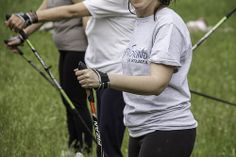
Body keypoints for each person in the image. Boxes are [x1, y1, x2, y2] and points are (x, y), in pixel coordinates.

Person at [5, 1, 136, 157]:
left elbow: (73, 11)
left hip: (114, 76)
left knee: (107, 143)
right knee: (104, 143)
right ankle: (78, 146)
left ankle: (83, 146)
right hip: (103, 75)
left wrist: (29, 16)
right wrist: (23, 34)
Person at [75, 0, 198, 157]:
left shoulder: (168, 23)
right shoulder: (139, 22)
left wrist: (104, 79)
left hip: (168, 128)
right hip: (139, 128)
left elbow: (157, 83)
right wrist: (92, 78)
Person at [4, 0, 93, 156]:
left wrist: (94, 48)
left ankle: (85, 149)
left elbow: (84, 12)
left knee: (76, 101)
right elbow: (39, 16)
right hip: (65, 49)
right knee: (67, 99)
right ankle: (74, 146)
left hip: (78, 49)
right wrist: (21, 37)